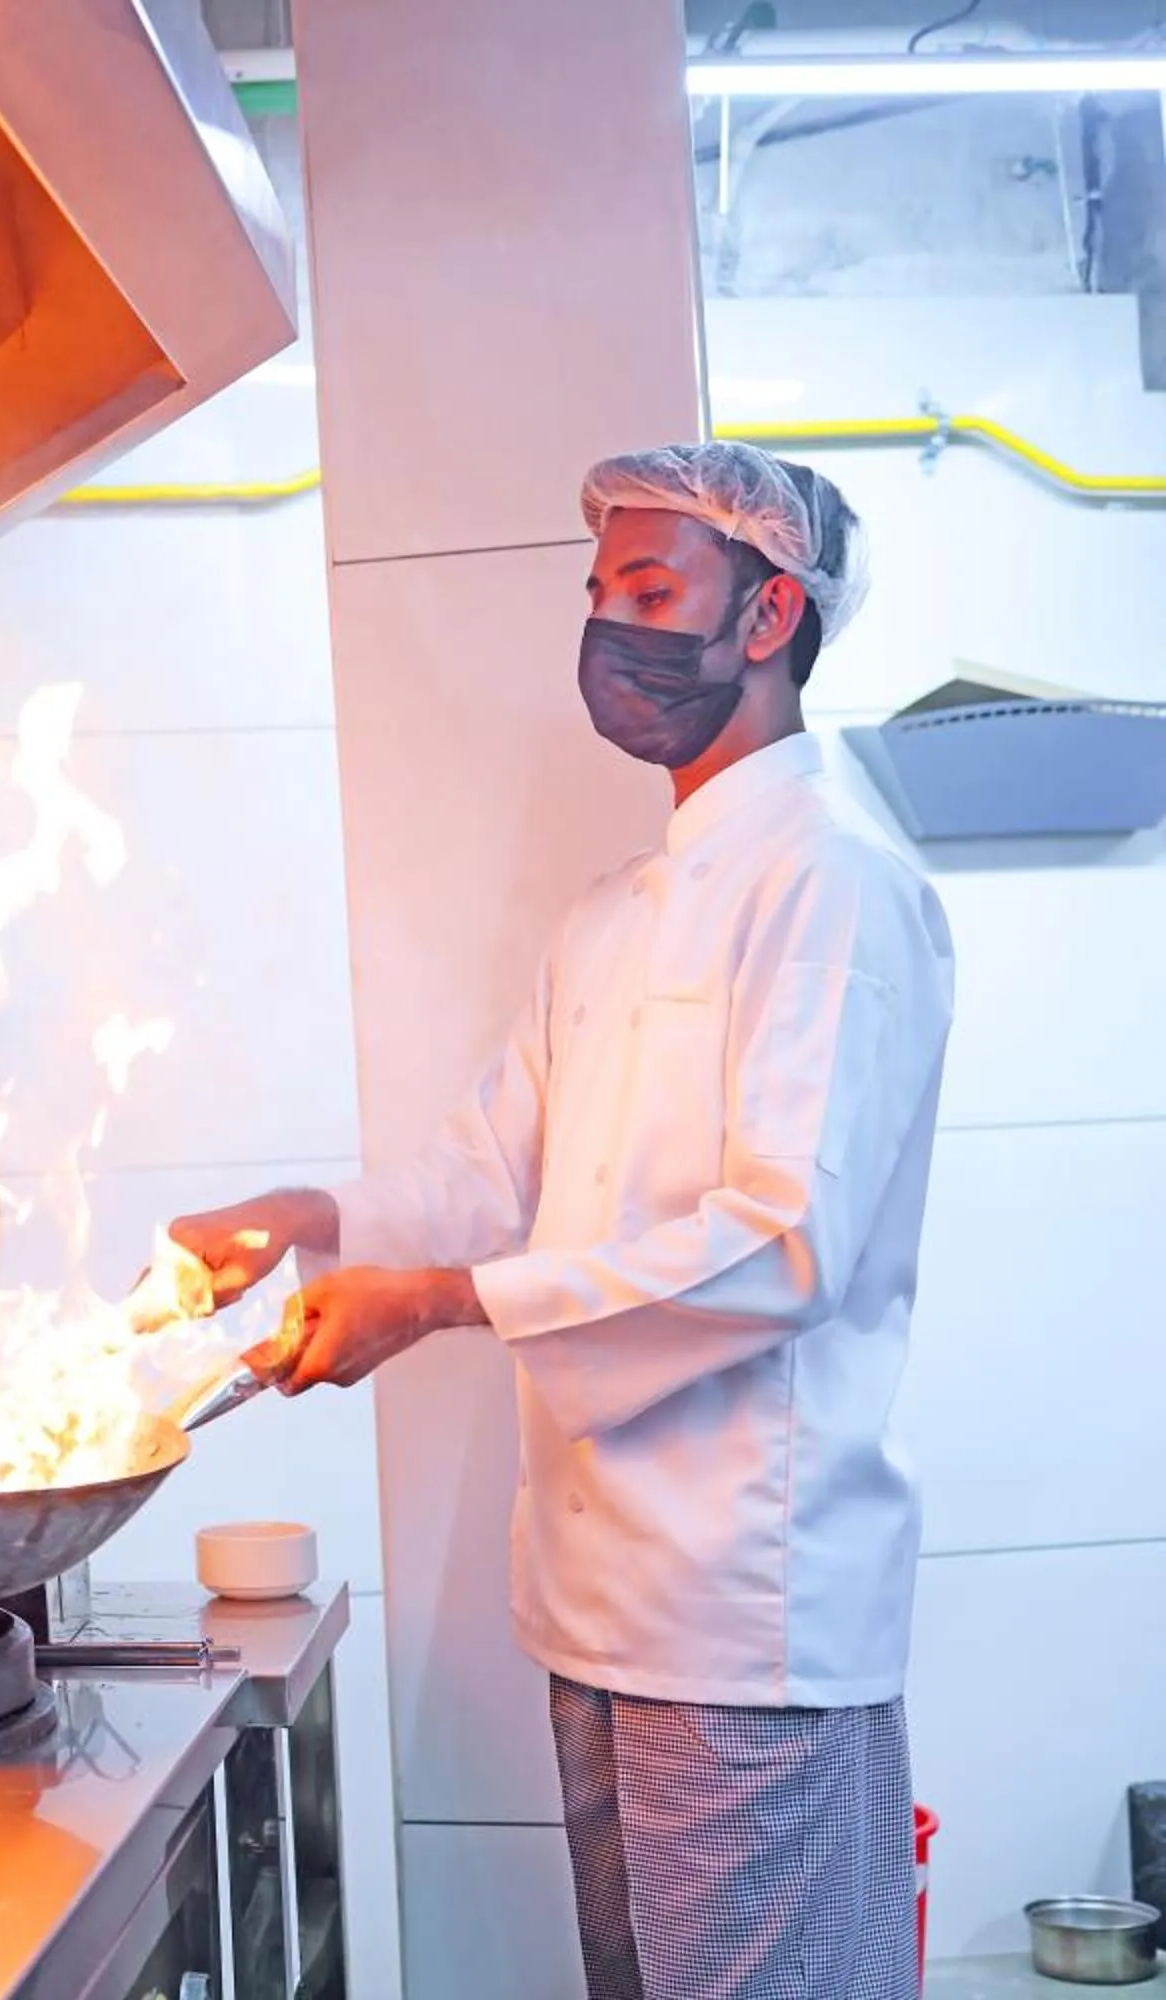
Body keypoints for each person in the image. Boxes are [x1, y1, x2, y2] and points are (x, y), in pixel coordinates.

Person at [169, 443, 954, 2000]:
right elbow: (486, 1172)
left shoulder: (836, 885)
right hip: (596, 1620)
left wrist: (445, 1303)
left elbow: (783, 1242)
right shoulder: (615, 913)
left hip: (750, 1631)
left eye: (653, 591)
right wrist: (305, 1217)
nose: (611, 628)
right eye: (599, 594)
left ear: (768, 612)